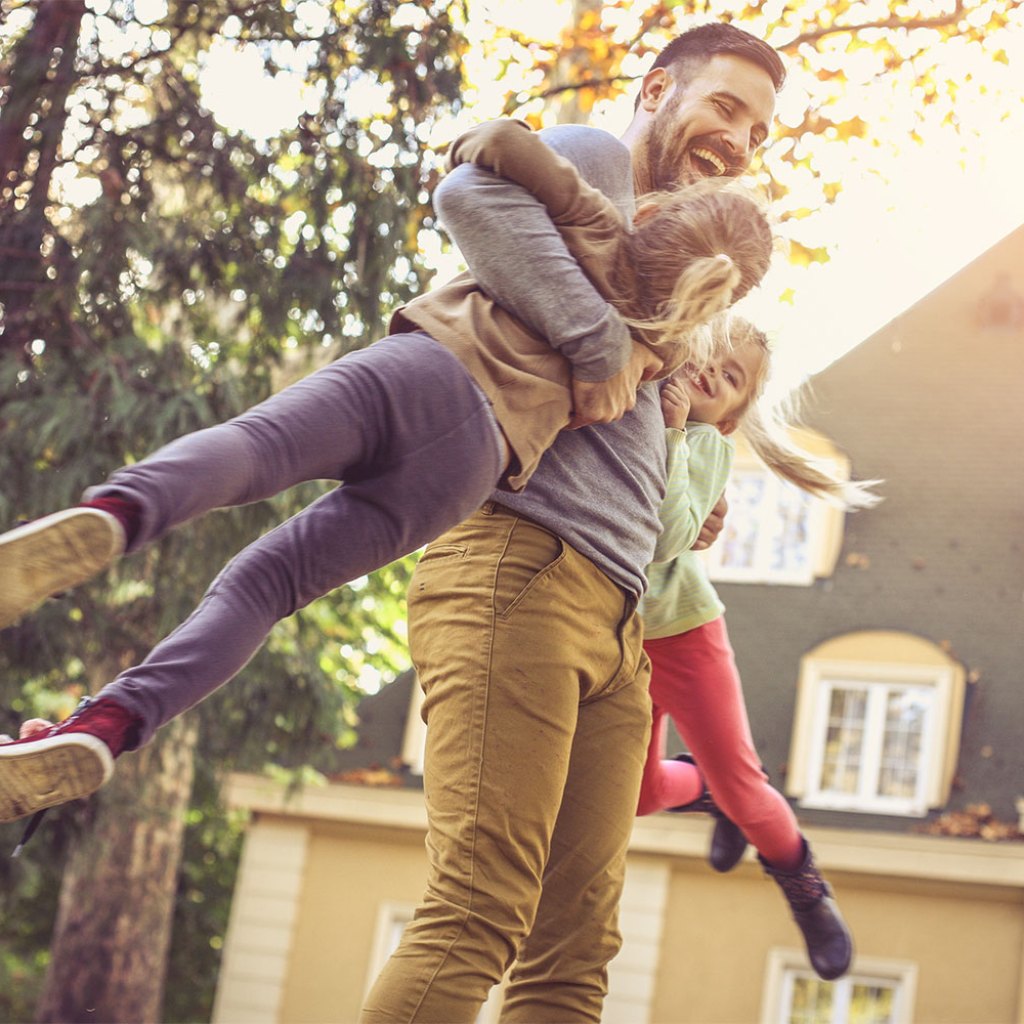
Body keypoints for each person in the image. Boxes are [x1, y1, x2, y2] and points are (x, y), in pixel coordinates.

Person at [0, 106, 773, 829]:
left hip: (431, 375)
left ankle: (116, 514)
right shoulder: (659, 350)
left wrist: (531, 165)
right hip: (469, 471)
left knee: (258, 448)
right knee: (267, 587)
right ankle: (108, 724)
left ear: (650, 213)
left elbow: (489, 146)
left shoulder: (598, 220)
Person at [361, 24, 786, 1021]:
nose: (738, 141)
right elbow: (468, 194)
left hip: (617, 616)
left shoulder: (679, 249)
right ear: (657, 90)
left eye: (758, 133)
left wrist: (684, 494)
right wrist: (599, 344)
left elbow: (627, 421)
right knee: (476, 912)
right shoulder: (594, 161)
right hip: (520, 565)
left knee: (574, 956)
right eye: (725, 107)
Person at [636, 317, 879, 981]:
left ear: (730, 418)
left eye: (731, 376)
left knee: (747, 792)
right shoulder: (640, 401)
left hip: (684, 632)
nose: (711, 370)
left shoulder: (704, 444)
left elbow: (664, 535)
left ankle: (807, 890)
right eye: (709, 354)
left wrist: (672, 431)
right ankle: (704, 787)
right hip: (625, 643)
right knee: (636, 795)